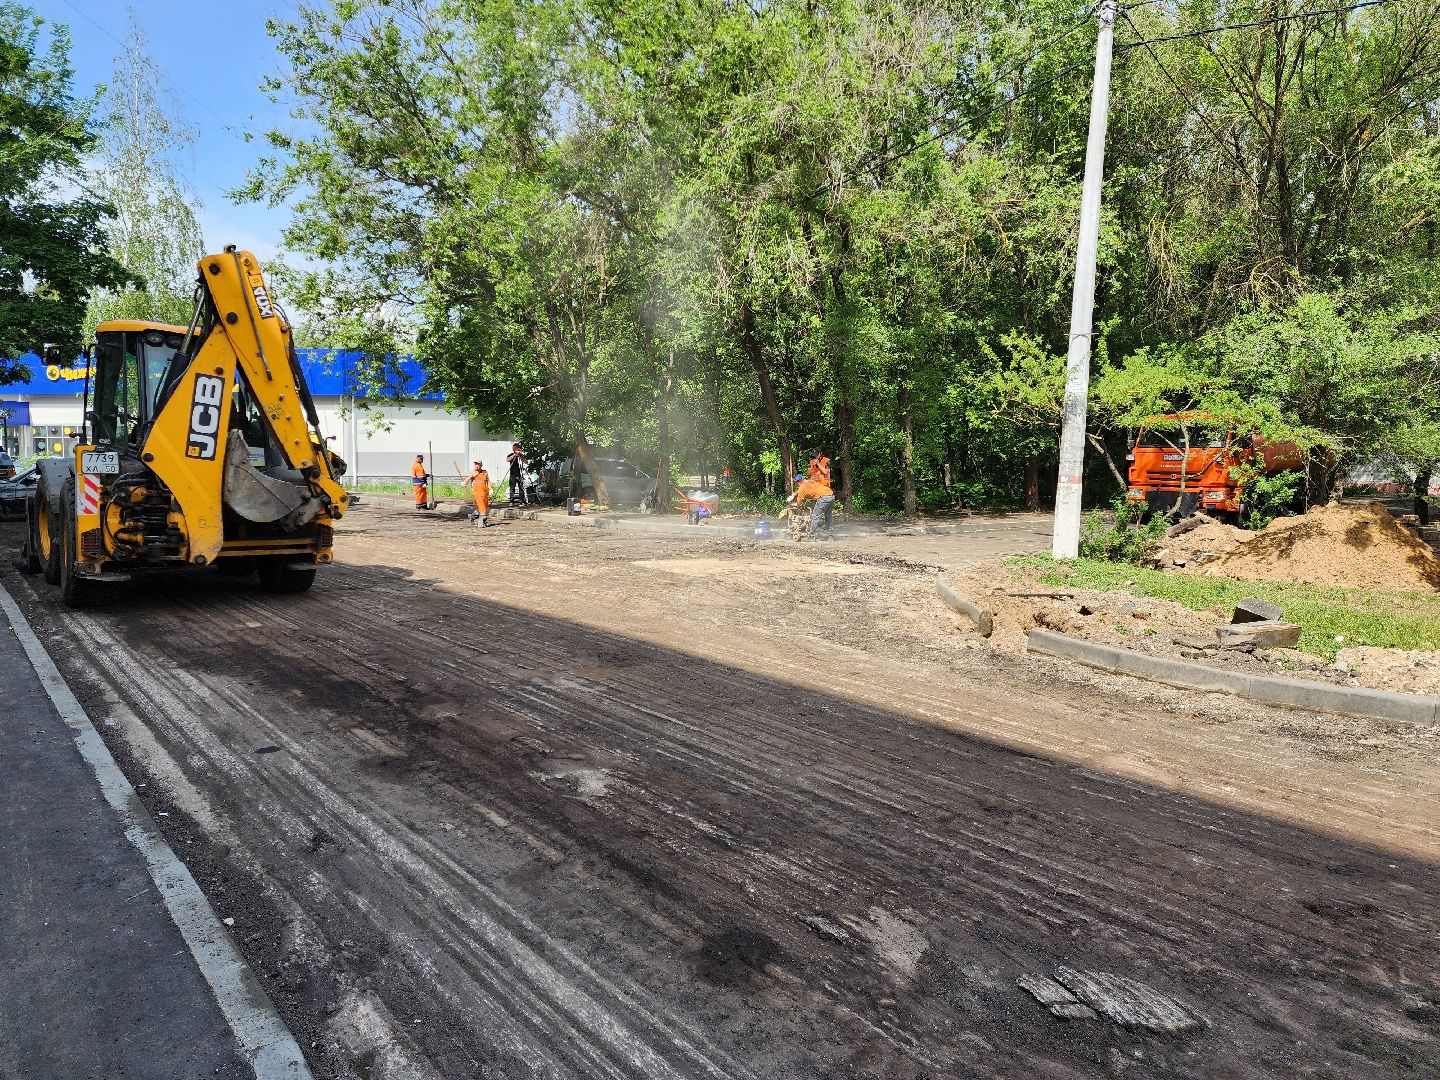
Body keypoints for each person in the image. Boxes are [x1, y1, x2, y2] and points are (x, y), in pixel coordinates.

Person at [794, 468, 835, 541]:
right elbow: (800, 490)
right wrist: (794, 495)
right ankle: (830, 536)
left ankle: (811, 536)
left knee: (815, 516)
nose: (795, 485)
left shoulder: (801, 488)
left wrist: (797, 506)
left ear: (798, 482)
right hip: (831, 494)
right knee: (828, 516)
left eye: (795, 483)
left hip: (823, 497)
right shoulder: (809, 482)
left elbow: (799, 501)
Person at [467, 460, 491, 526]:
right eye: (475, 464)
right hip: (477, 493)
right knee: (481, 507)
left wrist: (491, 489)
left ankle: (473, 516)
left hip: (484, 493)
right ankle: (484, 521)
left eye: (478, 464)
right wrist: (464, 482)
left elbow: (488, 481)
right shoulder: (473, 472)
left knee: (483, 508)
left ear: (481, 465)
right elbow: (468, 478)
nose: (476, 466)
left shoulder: (485, 472)